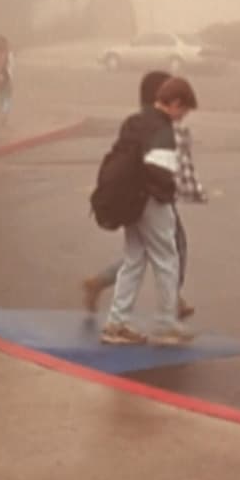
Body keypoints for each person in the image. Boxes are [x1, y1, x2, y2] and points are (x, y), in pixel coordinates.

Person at [83, 70, 203, 320]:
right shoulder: (164, 129)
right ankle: (170, 320)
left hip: (130, 201)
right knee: (168, 256)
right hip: (151, 200)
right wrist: (177, 194)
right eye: (184, 110)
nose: (184, 117)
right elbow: (163, 172)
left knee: (136, 258)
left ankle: (117, 320)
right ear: (173, 103)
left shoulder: (134, 122)